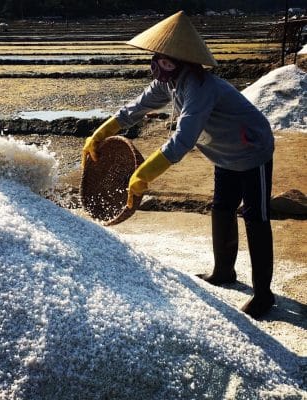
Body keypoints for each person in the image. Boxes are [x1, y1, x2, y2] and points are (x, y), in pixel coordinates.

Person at [81, 11, 275, 319]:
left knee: (255, 216)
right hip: (222, 153)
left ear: (185, 63)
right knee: (222, 207)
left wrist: (143, 174)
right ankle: (224, 271)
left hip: (251, 150)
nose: (160, 67)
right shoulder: (169, 84)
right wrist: (102, 131)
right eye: (159, 60)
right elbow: (138, 107)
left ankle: (264, 295)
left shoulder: (200, 88)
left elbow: (182, 140)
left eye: (168, 63)